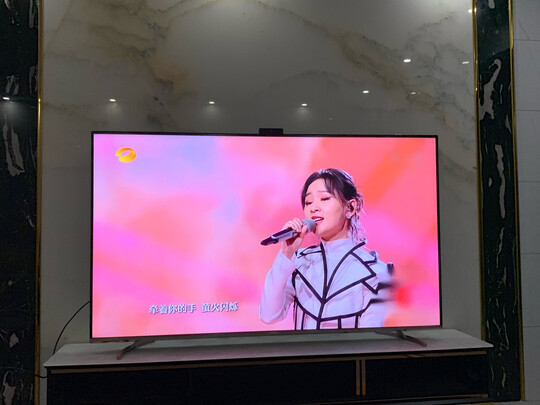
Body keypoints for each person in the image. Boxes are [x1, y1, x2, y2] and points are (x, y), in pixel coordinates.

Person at [259, 168, 393, 330]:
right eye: (308, 202)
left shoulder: (374, 272)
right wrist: (286, 254)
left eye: (324, 198)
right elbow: (269, 315)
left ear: (350, 208)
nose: (314, 208)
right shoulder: (300, 262)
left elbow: (372, 337)